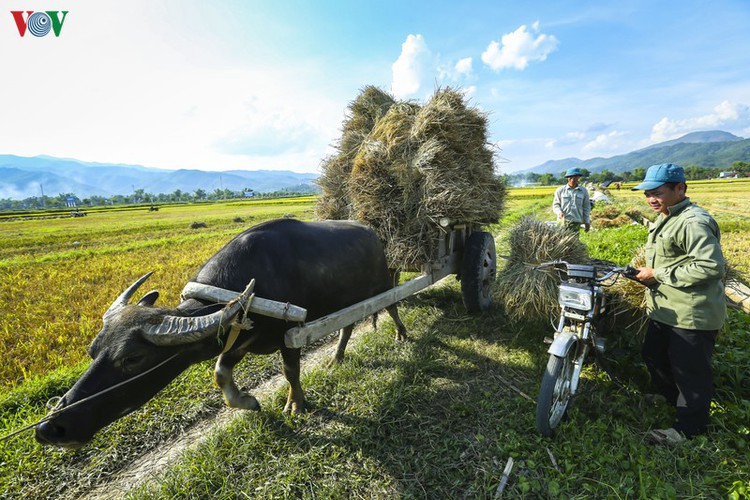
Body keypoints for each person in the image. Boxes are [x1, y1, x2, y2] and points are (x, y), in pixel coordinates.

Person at [631, 163, 726, 445]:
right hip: (666, 308)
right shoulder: (667, 216)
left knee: (691, 373)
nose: (650, 199)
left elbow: (710, 267)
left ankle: (689, 430)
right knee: (654, 355)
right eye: (647, 193)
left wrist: (657, 274)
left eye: (657, 192)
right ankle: (670, 399)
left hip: (691, 313)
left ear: (680, 189)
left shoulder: (692, 221)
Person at [552, 167, 591, 234]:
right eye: (571, 177)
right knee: (562, 241)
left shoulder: (583, 191)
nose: (573, 179)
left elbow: (586, 207)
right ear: (567, 177)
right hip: (563, 222)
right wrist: (559, 212)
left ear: (578, 177)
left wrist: (587, 221)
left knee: (574, 242)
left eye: (575, 177)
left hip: (576, 222)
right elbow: (556, 205)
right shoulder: (560, 190)